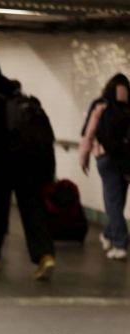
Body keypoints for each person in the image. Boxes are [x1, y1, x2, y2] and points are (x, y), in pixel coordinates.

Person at [0, 58, 56, 280]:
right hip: (30, 166)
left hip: (4, 166)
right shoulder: (21, 98)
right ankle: (45, 255)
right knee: (33, 211)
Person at [79, 73, 130, 260]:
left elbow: (89, 131)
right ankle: (109, 234)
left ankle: (120, 244)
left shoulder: (101, 103)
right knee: (118, 202)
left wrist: (83, 157)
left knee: (112, 203)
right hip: (126, 160)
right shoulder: (128, 106)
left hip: (106, 158)